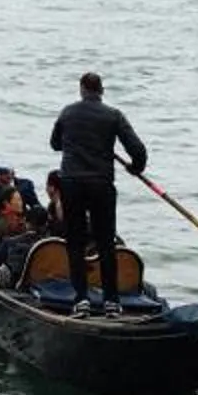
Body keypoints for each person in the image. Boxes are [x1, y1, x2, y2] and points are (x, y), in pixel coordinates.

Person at [49, 71, 145, 312]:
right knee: (105, 243)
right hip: (101, 184)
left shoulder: (67, 113)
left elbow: (55, 144)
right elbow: (139, 150)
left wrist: (74, 142)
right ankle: (111, 301)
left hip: (72, 184)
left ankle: (81, 298)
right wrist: (135, 168)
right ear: (101, 91)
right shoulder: (113, 115)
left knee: (75, 243)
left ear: (82, 90)